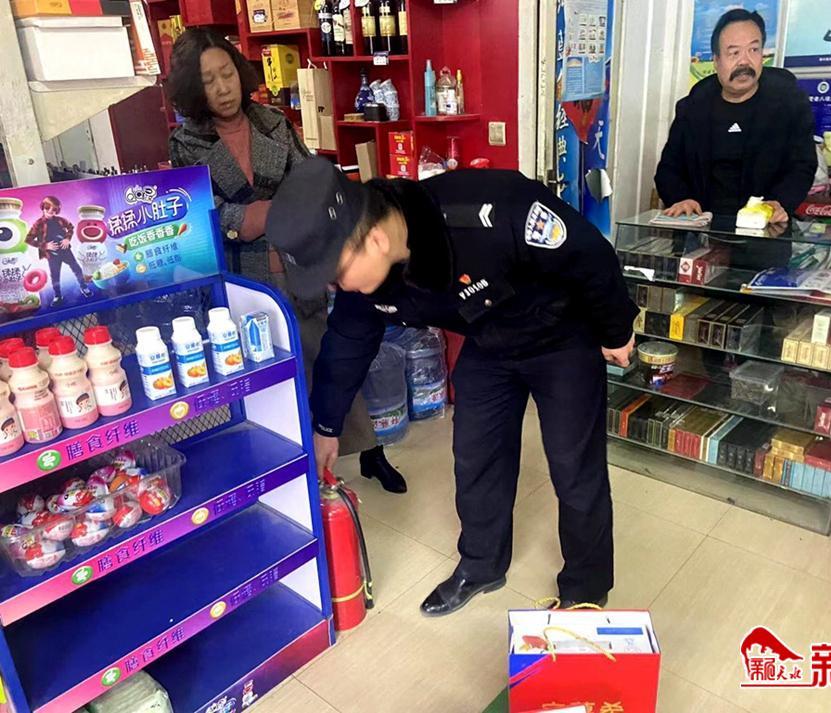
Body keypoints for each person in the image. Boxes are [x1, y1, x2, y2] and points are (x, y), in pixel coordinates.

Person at [266, 158, 637, 615]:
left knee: (573, 466)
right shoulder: (366, 284)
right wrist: (326, 426)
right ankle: (482, 564)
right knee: (476, 455)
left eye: (337, 272)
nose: (337, 285)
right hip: (489, 339)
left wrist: (616, 330)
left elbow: (589, 255)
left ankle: (586, 585)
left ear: (376, 239)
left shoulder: (490, 210)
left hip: (561, 335)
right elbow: (346, 344)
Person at [166, 28, 406, 493]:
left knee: (329, 359)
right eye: (209, 81)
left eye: (227, 74)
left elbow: (311, 182)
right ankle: (292, 467)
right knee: (268, 373)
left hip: (298, 260)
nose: (223, 88)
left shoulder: (274, 122)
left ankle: (370, 451)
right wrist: (247, 218)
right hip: (245, 272)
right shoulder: (185, 143)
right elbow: (193, 210)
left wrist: (294, 221)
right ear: (194, 89)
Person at [655, 9, 817, 224]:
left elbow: (802, 166)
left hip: (765, 227)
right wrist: (681, 198)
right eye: (734, 53)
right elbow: (668, 169)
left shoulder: (789, 105)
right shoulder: (692, 108)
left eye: (754, 50)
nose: (744, 61)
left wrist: (780, 202)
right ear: (716, 60)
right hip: (701, 227)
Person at [26, 196, 92, 307]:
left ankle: (84, 286)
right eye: (48, 209)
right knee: (55, 275)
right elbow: (28, 239)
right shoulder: (38, 223)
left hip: (65, 250)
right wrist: (45, 245)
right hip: (51, 254)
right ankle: (57, 295)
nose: (50, 212)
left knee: (76, 268)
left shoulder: (60, 220)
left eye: (54, 211)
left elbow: (70, 227)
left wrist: (67, 239)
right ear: (43, 208)